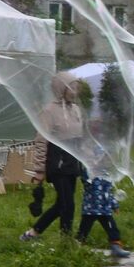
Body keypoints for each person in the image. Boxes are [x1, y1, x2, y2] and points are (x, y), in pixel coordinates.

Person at [22, 72, 86, 241]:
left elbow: (80, 138)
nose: (75, 91)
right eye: (71, 87)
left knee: (61, 204)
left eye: (76, 87)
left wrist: (87, 157)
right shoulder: (49, 111)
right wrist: (39, 170)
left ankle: (33, 232)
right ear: (60, 89)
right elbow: (41, 142)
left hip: (72, 162)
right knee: (68, 204)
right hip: (57, 163)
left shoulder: (76, 109)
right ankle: (66, 240)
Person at [75, 161, 131, 261]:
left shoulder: (107, 175)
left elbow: (109, 192)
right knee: (84, 229)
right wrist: (85, 169)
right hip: (90, 209)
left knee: (112, 228)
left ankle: (116, 247)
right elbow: (84, 179)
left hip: (105, 210)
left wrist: (115, 205)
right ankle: (77, 246)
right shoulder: (89, 173)